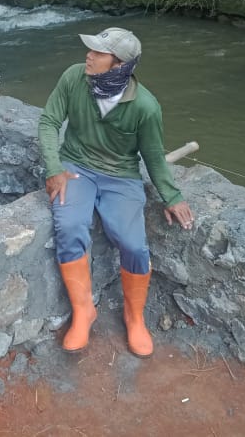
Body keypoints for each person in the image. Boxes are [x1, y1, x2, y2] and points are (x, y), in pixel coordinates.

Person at [38, 27, 194, 357]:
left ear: (119, 64)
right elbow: (49, 122)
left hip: (121, 177)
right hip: (75, 167)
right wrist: (54, 169)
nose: (89, 56)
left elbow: (153, 155)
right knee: (69, 226)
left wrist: (171, 195)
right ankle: (84, 312)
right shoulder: (73, 77)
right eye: (90, 50)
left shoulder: (146, 107)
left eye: (98, 53)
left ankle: (134, 317)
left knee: (134, 244)